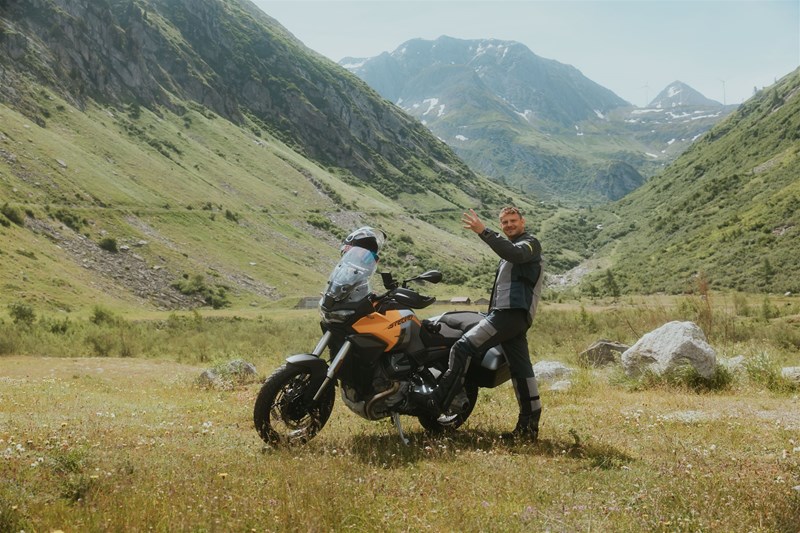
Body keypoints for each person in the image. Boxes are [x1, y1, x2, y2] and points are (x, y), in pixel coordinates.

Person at [412, 206, 544, 441]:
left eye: (513, 221)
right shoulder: (510, 248)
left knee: (463, 347)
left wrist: (484, 231)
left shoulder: (530, 244)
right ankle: (528, 428)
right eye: (505, 222)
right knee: (521, 370)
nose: (509, 225)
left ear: (523, 222)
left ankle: (437, 402)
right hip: (512, 317)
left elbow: (516, 254)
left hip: (509, 315)